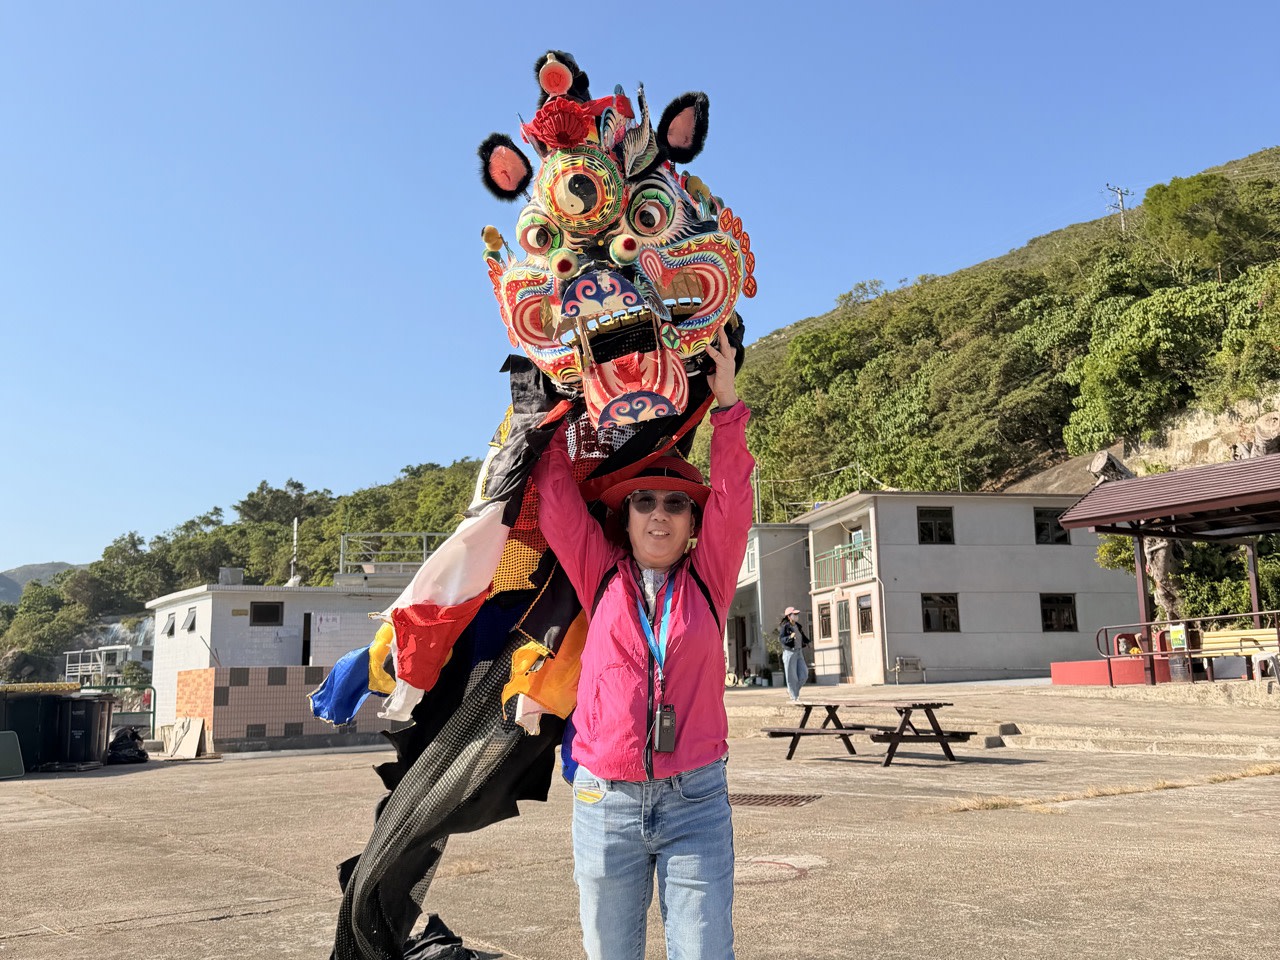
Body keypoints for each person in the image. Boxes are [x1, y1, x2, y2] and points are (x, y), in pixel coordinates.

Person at [532, 339, 752, 960]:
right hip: (606, 802)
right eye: (645, 502)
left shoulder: (709, 578)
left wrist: (726, 400)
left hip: (696, 801)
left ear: (691, 522)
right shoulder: (598, 574)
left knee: (705, 952)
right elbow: (554, 499)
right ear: (625, 517)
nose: (660, 515)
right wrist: (558, 398)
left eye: (676, 503)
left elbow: (735, 498)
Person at [779, 606, 810, 701]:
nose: (796, 616)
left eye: (797, 614)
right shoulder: (785, 627)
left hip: (799, 652)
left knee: (804, 675)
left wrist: (808, 642)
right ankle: (794, 697)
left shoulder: (798, 626)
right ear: (789, 616)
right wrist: (790, 637)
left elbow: (803, 636)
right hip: (789, 652)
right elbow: (781, 639)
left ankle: (791, 690)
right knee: (792, 676)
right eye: (794, 614)